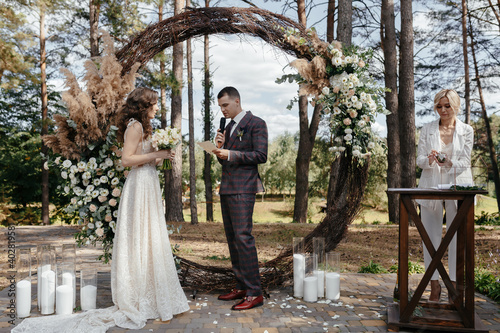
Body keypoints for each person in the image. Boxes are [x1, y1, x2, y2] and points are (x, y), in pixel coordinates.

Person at [12, 87, 189, 332]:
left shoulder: (145, 128)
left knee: (151, 239)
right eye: (155, 103)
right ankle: (139, 298)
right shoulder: (134, 126)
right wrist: (156, 153)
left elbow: (149, 159)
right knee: (140, 238)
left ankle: (156, 297)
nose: (158, 107)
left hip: (149, 184)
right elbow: (126, 160)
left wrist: (162, 154)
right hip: (138, 186)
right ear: (144, 105)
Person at [416, 89, 474, 303]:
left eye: (447, 106)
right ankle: (434, 286)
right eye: (439, 106)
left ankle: (455, 287)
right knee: (430, 238)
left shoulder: (467, 130)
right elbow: (420, 160)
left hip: (458, 187)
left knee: (457, 238)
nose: (443, 110)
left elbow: (465, 162)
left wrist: (449, 163)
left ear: (455, 106)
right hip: (431, 185)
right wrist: (431, 160)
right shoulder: (427, 129)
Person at [213, 86, 268, 310]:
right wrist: (219, 148)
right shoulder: (227, 126)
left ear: (237, 101)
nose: (223, 110)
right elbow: (224, 160)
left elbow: (261, 155)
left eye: (225, 105)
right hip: (227, 188)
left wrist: (231, 153)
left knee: (244, 238)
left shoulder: (257, 123)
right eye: (220, 107)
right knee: (233, 239)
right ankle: (242, 286)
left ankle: (255, 292)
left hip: (244, 188)